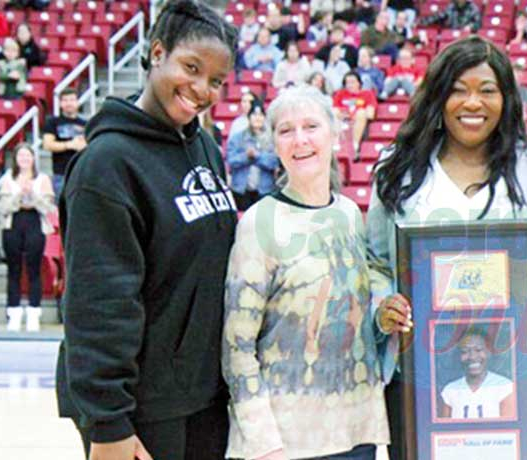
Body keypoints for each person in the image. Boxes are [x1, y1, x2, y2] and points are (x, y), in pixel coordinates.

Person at [367, 35, 527, 460]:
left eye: (487, 90)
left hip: (519, 376)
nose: (473, 103)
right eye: (458, 90)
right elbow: (375, 263)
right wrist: (380, 306)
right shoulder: (397, 169)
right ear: (438, 97)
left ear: (507, 100)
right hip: (419, 379)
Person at [55, 1, 239, 458]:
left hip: (203, 398)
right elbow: (98, 303)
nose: (201, 89)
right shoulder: (106, 166)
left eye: (216, 80)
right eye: (191, 68)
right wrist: (108, 423)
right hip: (142, 411)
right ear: (157, 53)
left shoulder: (205, 148)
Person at [223, 85, 389, 460]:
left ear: (334, 132)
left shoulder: (349, 213)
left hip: (354, 432)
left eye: (311, 126)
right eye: (286, 130)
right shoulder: (257, 222)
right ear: (274, 143)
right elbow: (237, 347)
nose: (300, 140)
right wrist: (264, 442)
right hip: (287, 441)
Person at [0, 143, 54, 332]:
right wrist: (18, 195)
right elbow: (2, 208)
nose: (24, 160)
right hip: (13, 223)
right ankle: (13, 312)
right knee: (13, 269)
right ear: (15, 159)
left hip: (34, 222)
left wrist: (33, 194)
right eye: (20, 156)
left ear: (33, 159)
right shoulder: (8, 178)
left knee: (34, 269)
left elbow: (48, 208)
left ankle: (34, 312)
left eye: (27, 156)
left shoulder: (42, 179)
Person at [438, 327, 515, 419]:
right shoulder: (450, 390)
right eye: (465, 351)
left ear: (489, 353)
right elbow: (444, 430)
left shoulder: (505, 387)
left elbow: (509, 430)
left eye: (478, 350)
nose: (472, 357)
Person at [226, 104, 278, 211]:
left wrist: (257, 156)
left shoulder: (272, 139)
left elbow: (274, 162)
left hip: (264, 190)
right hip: (241, 190)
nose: (257, 118)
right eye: (254, 115)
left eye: (260, 115)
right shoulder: (237, 138)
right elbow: (231, 161)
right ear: (249, 118)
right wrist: (246, 156)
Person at [42, 88, 87, 197]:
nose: (69, 103)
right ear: (60, 103)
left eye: (72, 100)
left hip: (81, 173)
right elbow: (47, 144)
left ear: (77, 102)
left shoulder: (86, 124)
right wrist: (69, 145)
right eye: (65, 100)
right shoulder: (52, 122)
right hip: (60, 174)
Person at [333, 71, 376, 153]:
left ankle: (355, 146)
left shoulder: (367, 94)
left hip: (360, 124)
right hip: (342, 122)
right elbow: (334, 110)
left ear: (359, 83)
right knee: (334, 112)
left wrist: (352, 115)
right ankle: (335, 143)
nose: (349, 85)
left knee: (361, 112)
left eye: (352, 82)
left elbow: (370, 114)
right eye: (347, 83)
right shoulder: (340, 94)